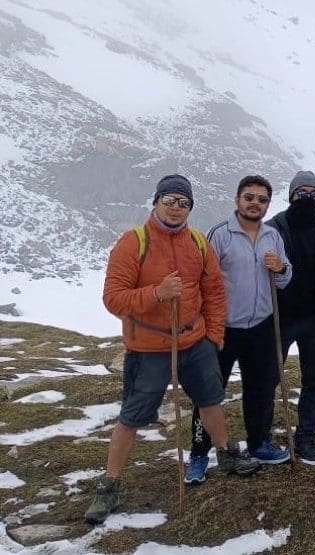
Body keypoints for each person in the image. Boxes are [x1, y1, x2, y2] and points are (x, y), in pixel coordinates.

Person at [86, 174, 260, 524]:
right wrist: (156, 293)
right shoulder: (133, 242)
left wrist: (214, 336)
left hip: (195, 341)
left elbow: (213, 291)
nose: (176, 208)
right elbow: (112, 299)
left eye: (184, 203)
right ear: (156, 202)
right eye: (170, 200)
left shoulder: (197, 241)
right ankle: (110, 484)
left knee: (211, 399)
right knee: (133, 415)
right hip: (148, 347)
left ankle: (226, 454)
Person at [185, 176, 292, 485]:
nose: (254, 203)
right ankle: (199, 454)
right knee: (209, 395)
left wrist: (280, 269)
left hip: (260, 325)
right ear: (236, 199)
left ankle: (259, 444)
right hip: (223, 328)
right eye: (249, 197)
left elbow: (286, 278)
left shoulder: (273, 236)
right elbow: (202, 281)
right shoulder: (219, 235)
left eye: (261, 199)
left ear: (268, 204)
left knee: (260, 389)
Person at [267, 170, 315, 461]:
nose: (308, 199)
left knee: (314, 380)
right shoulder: (274, 228)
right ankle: (262, 436)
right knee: (271, 378)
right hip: (282, 316)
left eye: (314, 194)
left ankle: (305, 438)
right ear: (292, 196)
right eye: (302, 193)